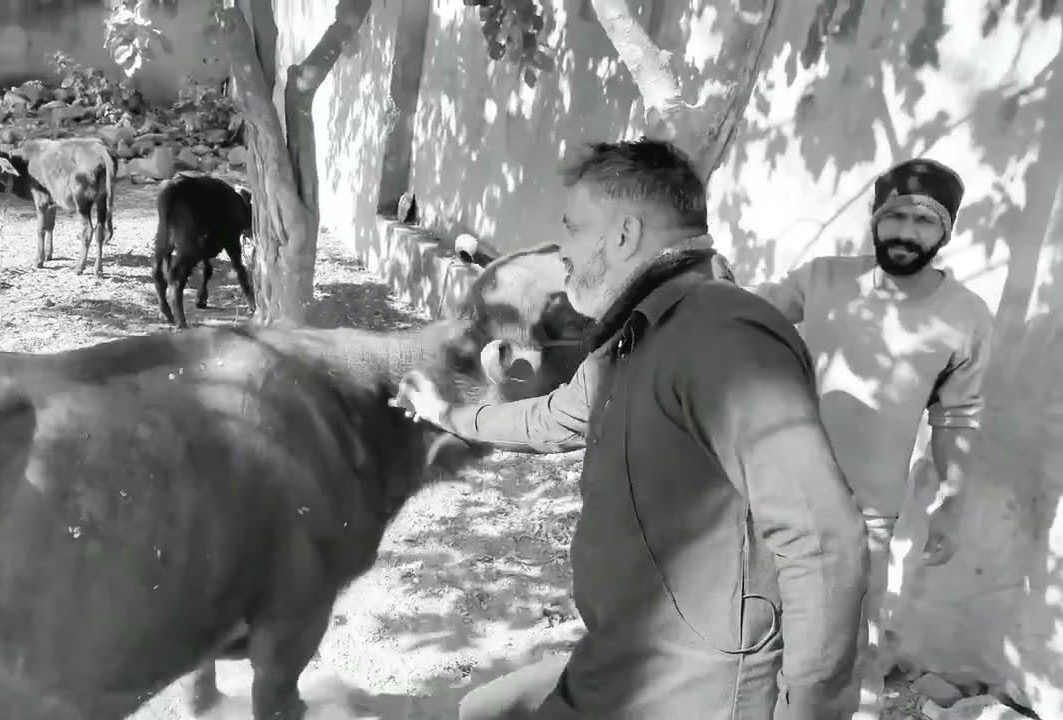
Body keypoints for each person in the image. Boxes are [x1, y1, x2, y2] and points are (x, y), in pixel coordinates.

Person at [392, 138, 869, 719]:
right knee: (484, 710)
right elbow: (553, 418)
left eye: (572, 228)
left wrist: (809, 712)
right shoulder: (632, 336)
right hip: (621, 656)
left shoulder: (726, 335)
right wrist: (449, 415)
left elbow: (822, 540)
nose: (563, 251)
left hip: (692, 690)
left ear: (622, 236)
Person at [746, 157, 995, 719]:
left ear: (947, 231)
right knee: (759, 615)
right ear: (875, 219)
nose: (908, 232)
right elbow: (747, 310)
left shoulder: (966, 316)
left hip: (869, 514)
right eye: (897, 215)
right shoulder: (825, 277)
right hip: (779, 487)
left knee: (847, 639)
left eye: (926, 220)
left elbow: (957, 417)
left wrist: (950, 503)